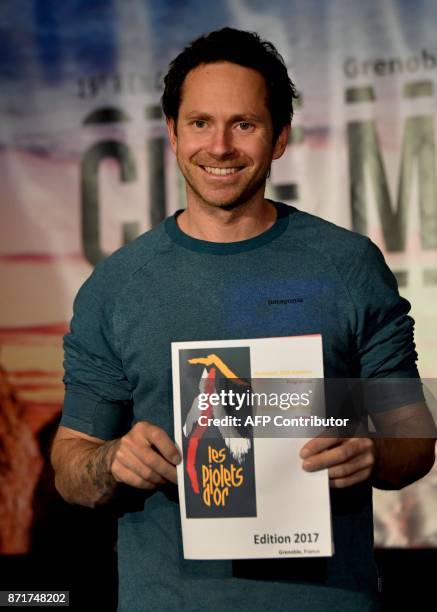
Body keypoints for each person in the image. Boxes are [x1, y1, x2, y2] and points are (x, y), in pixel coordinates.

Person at [51, 28, 435, 611]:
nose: (221, 146)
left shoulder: (348, 266)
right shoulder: (117, 286)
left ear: (280, 138)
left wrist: (373, 453)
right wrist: (111, 460)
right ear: (172, 135)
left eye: (245, 124)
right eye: (201, 123)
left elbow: (413, 434)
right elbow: (70, 464)